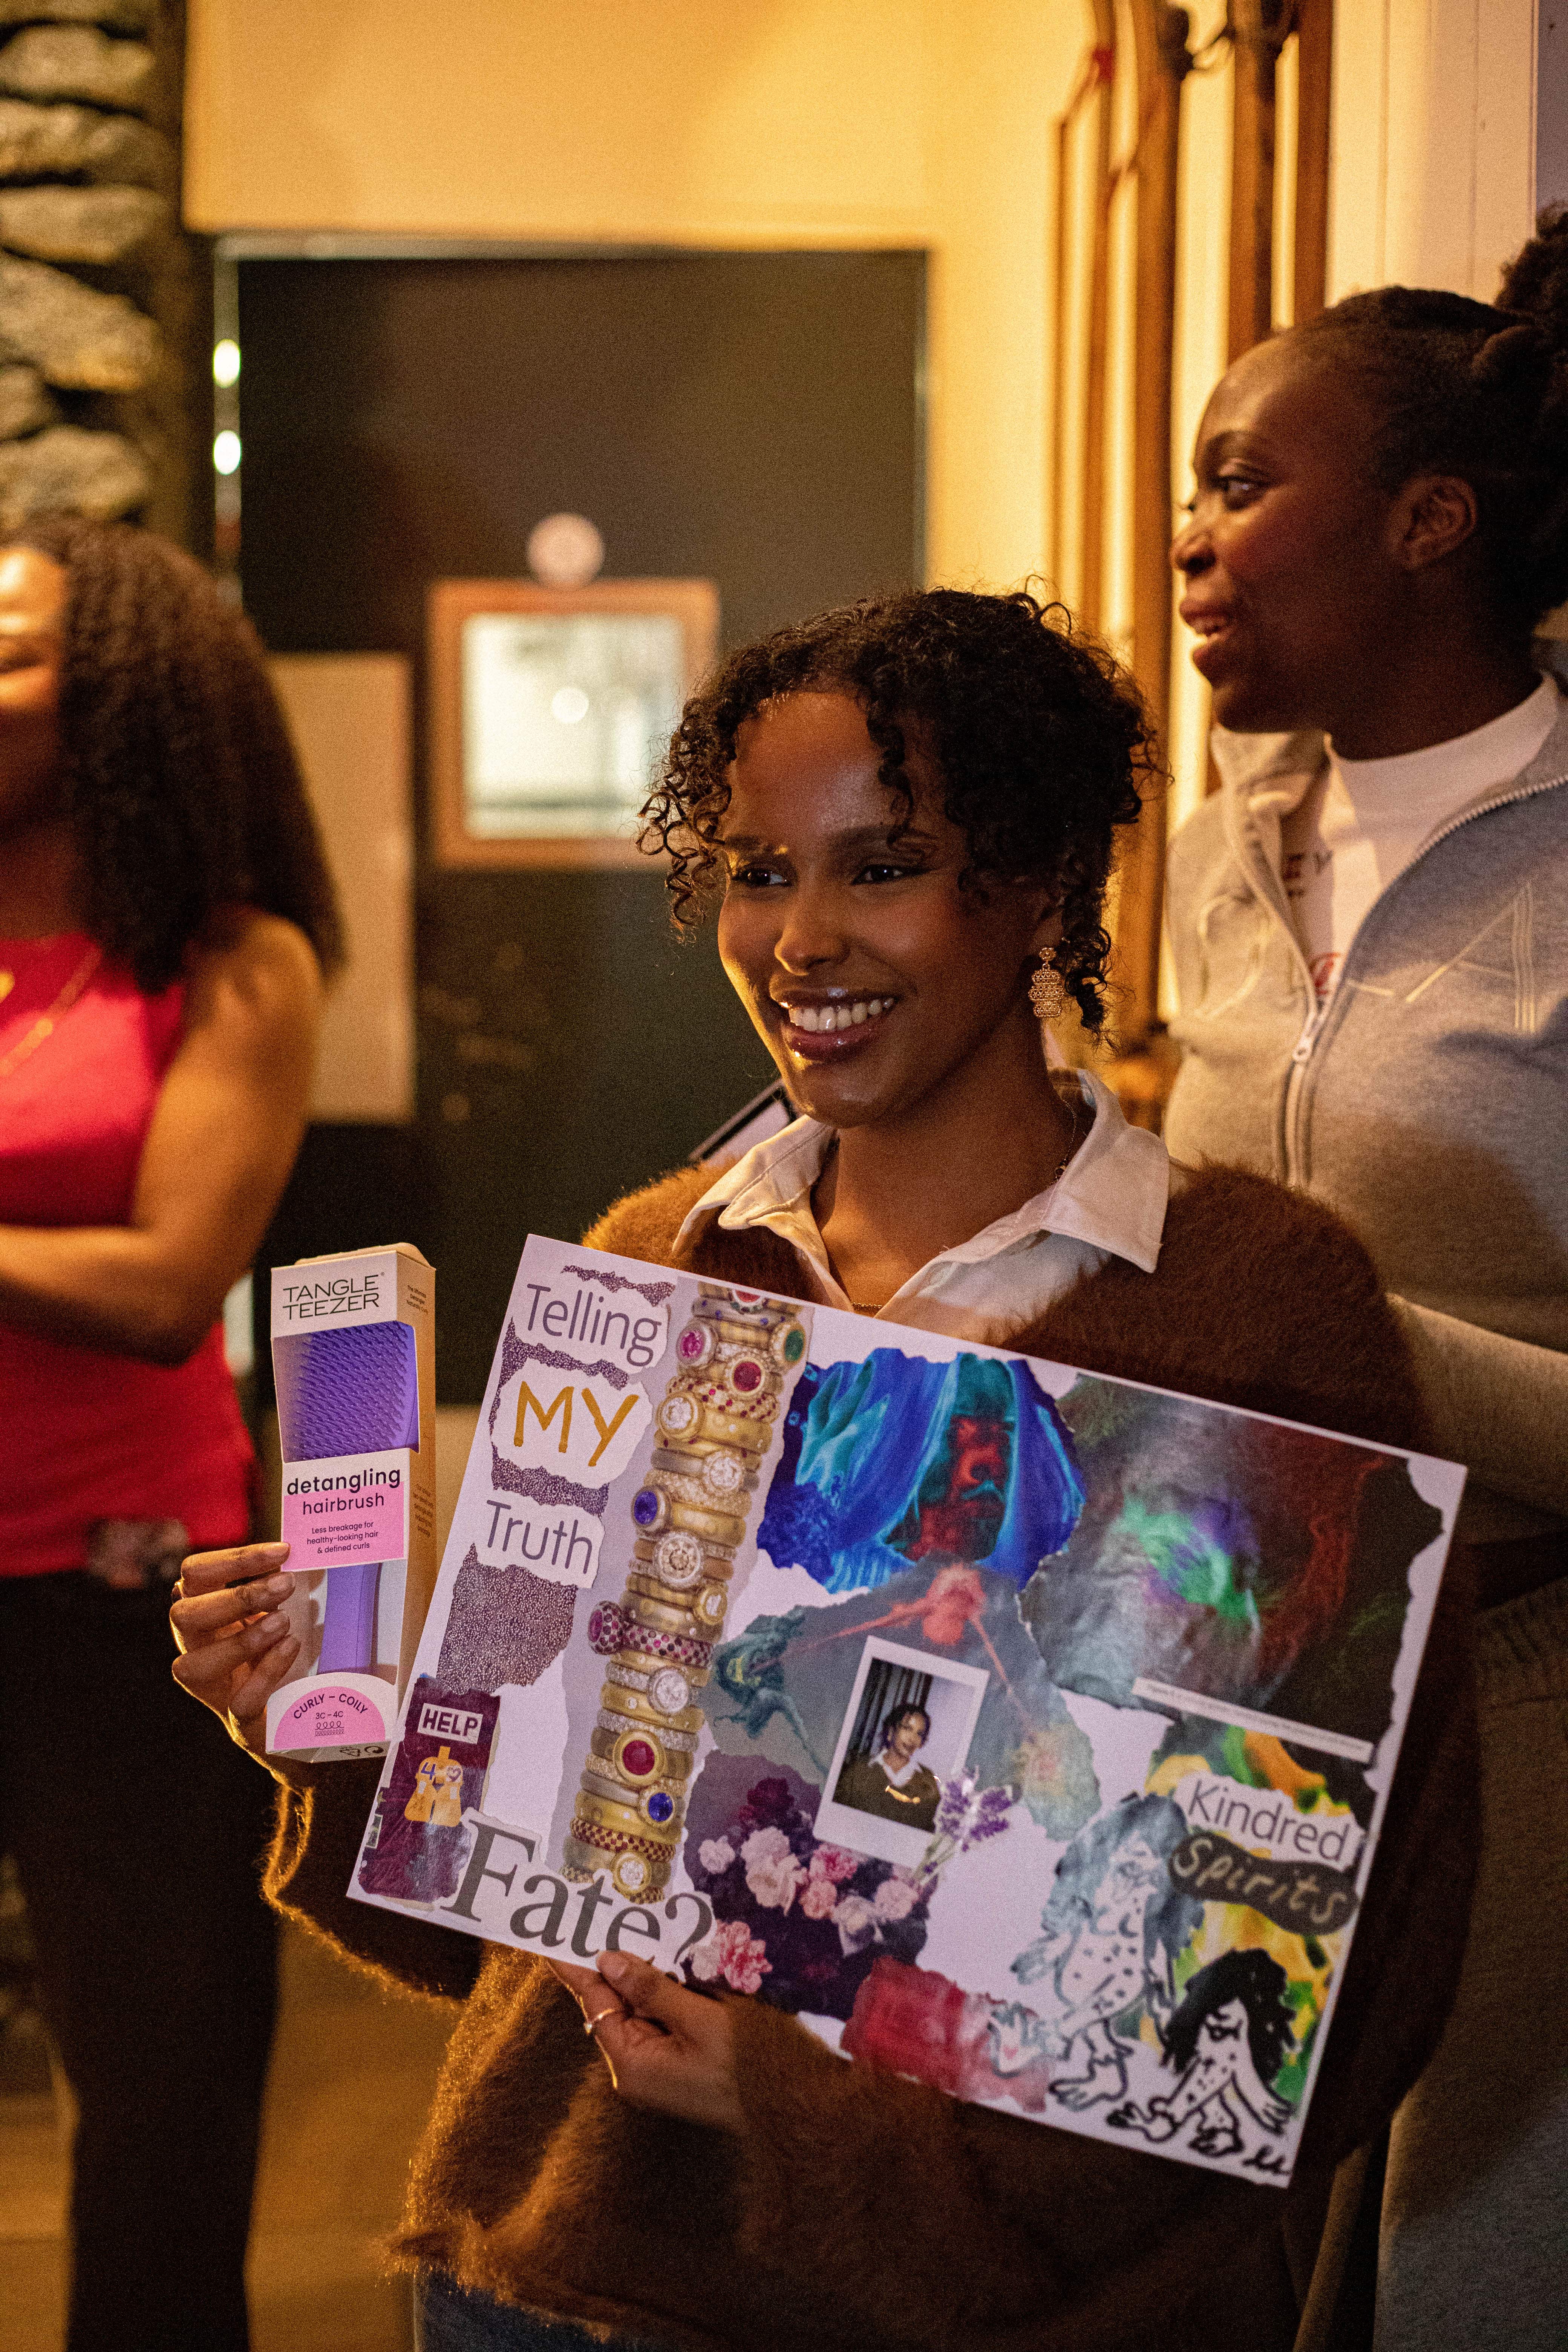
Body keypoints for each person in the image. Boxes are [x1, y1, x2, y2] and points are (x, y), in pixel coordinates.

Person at [172, 588, 1474, 2352]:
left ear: (1028, 884)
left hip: (1008, 2315)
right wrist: (339, 1726)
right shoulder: (663, 1262)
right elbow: (504, 1934)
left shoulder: (1252, 1305)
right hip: (548, 2279)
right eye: (760, 870)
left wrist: (804, 2110)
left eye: (883, 864)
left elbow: (1328, 1984)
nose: (800, 937)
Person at [1165, 212, 1568, 2349]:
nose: (1190, 539)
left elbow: (1297, 1306)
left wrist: (1335, 1336)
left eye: (1242, 483)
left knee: (1453, 2305)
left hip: (1524, 1720)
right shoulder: (1229, 847)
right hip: (1229, 1688)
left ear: (1427, 521)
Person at [0, 516, 340, 2352]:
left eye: (6, 654)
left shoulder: (231, 962)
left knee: (156, 2098)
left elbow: (164, 1280)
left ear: (119, 697)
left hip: (132, 1600)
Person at [833, 1702, 941, 1829]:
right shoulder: (859, 1770)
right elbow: (838, 1817)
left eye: (919, 1734)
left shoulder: (928, 1781)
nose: (912, 1739)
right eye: (907, 1728)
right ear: (891, 1731)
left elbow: (928, 1829)